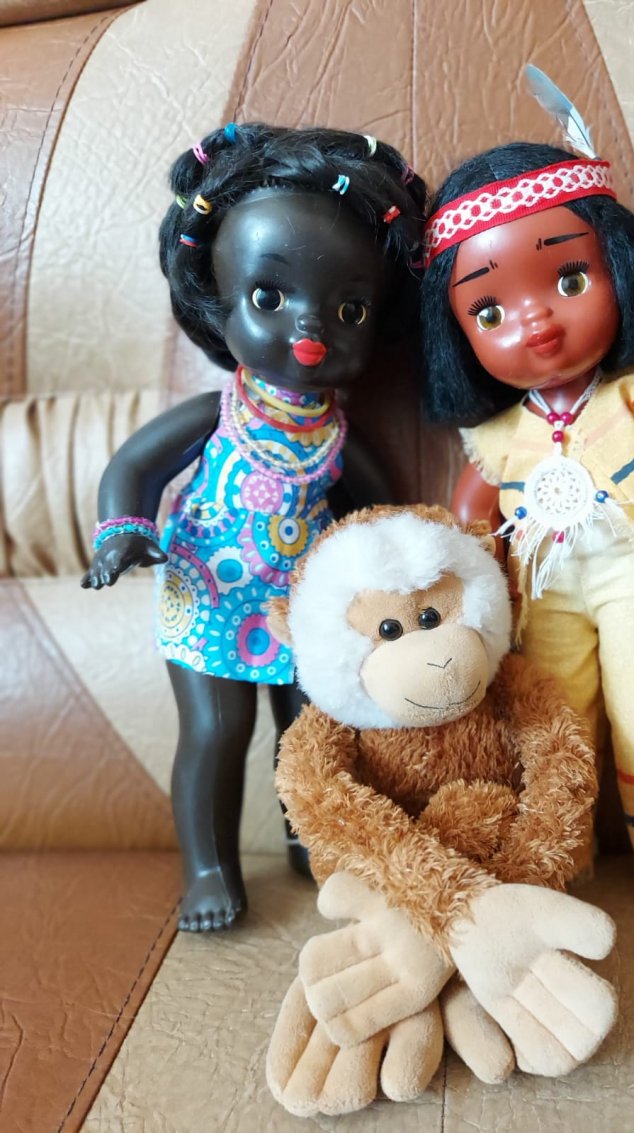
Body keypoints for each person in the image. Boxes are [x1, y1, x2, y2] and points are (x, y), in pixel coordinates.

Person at [82, 122, 426, 931]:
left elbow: (379, 508)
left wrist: (394, 562)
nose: (310, 332)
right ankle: (209, 866)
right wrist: (122, 531)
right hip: (206, 593)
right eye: (270, 298)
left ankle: (310, 836)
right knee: (216, 728)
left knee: (310, 732)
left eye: (347, 309)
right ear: (218, 298)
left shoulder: (338, 438)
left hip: (302, 606)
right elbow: (133, 468)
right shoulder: (218, 414)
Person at [420, 133, 634, 918]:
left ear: (621, 271)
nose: (535, 321)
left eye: (570, 279)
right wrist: (472, 562)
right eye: (489, 310)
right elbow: (472, 509)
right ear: (458, 336)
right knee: (551, 720)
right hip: (544, 589)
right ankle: (554, 858)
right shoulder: (499, 434)